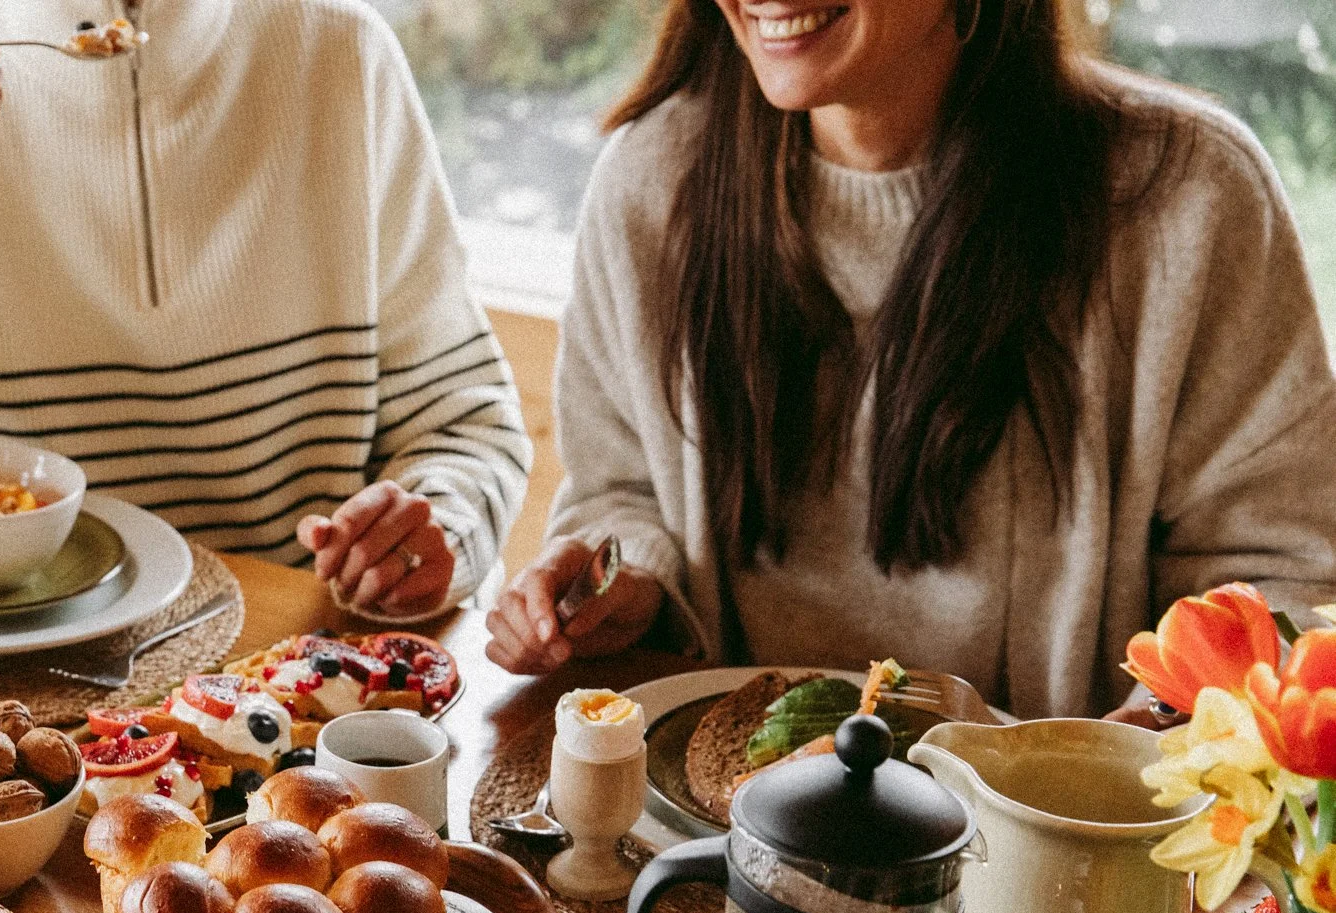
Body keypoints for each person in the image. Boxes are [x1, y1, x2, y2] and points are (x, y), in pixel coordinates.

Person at [484, 0, 1336, 717]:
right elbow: (621, 494)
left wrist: (1144, 740)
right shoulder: (647, 185)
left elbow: (1286, 585)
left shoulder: (1191, 199)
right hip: (709, 846)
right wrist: (623, 586)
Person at [0, 1, 535, 624]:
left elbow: (467, 428)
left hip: (303, 682)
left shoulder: (342, 54)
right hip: (7, 704)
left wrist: (433, 538)